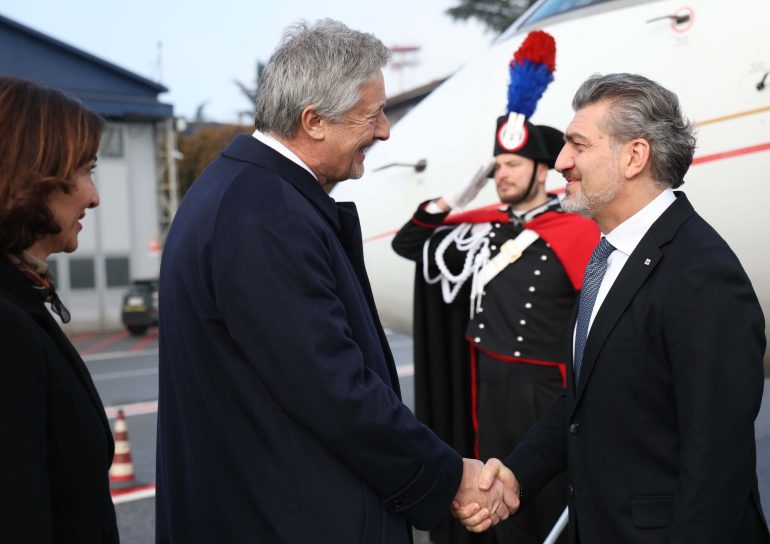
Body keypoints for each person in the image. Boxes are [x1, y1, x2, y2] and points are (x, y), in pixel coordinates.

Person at [156, 19, 515, 544]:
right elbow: (333, 389)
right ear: (314, 121)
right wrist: (449, 477)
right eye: (372, 115)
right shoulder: (267, 213)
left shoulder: (238, 190)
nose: (385, 131)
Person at [455, 73, 770, 543]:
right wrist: (516, 475)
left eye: (578, 145)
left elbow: (717, 465)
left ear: (634, 157)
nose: (561, 161)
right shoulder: (610, 256)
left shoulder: (701, 274)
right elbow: (584, 399)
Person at [392, 31, 598, 544]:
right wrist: (452, 200)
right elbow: (409, 243)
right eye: (496, 166)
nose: (501, 175)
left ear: (542, 170)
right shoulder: (482, 225)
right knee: (500, 505)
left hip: (545, 389)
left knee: (551, 503)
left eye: (512, 165)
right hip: (487, 387)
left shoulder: (577, 227)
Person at [0, 77, 118, 543]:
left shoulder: (22, 299)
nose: (94, 196)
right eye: (85, 170)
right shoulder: (7, 326)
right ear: (31, 175)